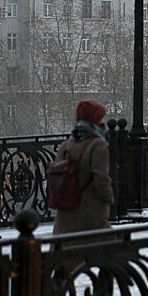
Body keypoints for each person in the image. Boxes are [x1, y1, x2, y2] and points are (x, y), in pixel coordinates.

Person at [52, 99, 114, 236]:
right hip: (90, 214)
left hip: (65, 213)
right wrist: (108, 199)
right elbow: (101, 179)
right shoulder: (98, 145)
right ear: (96, 120)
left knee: (68, 254)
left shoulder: (66, 145)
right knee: (108, 250)